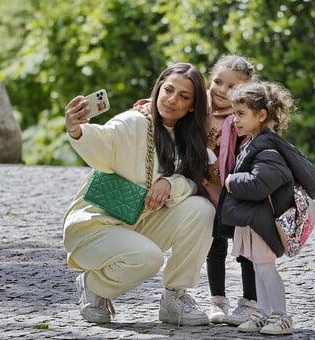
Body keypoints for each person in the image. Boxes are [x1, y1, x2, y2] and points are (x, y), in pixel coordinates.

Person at [63, 62, 215, 326]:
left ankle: (174, 298)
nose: (172, 100)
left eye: (184, 96)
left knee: (202, 210)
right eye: (168, 90)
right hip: (98, 225)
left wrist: (169, 183)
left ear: (192, 105)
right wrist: (76, 130)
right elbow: (103, 142)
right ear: (157, 89)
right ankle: (93, 286)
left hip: (137, 222)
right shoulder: (133, 122)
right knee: (149, 258)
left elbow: (192, 181)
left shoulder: (187, 137)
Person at [216, 81, 315, 335]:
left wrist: (230, 181)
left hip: (262, 222)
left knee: (266, 269)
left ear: (261, 115)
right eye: (234, 113)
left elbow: (261, 183)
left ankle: (281, 316)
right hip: (253, 221)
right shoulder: (253, 143)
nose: (235, 120)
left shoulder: (267, 148)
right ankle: (263, 313)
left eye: (241, 114)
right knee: (256, 267)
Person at [202, 55, 258, 326]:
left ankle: (250, 301)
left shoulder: (242, 117)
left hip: (235, 190)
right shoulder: (199, 107)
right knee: (214, 245)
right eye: (218, 82)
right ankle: (217, 300)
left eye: (232, 87)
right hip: (205, 189)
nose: (222, 91)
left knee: (245, 247)